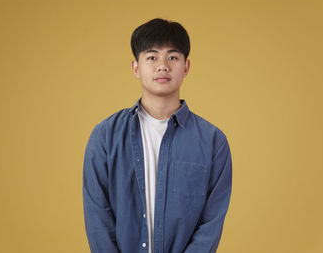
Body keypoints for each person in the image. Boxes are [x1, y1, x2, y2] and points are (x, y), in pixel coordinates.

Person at [83, 18, 232, 253]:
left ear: (186, 67)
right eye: (152, 57)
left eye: (172, 57)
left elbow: (211, 221)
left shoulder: (213, 141)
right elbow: (97, 217)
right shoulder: (105, 137)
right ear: (136, 67)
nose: (162, 66)